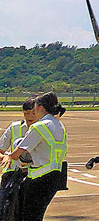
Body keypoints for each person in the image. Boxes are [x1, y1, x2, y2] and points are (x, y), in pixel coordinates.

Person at [0, 92, 67, 221]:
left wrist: (9, 155)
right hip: (55, 174)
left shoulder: (39, 126)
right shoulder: (58, 124)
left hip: (39, 176)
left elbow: (17, 153)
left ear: (40, 107)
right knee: (37, 214)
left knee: (28, 215)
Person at [0, 97, 38, 186]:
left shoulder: (44, 129)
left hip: (35, 176)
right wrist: (5, 157)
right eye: (27, 113)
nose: (30, 116)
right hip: (13, 174)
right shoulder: (14, 127)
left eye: (33, 113)